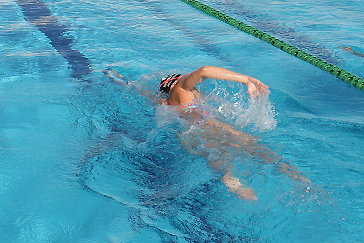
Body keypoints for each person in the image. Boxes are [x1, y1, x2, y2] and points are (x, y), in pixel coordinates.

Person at [105, 65, 307, 200]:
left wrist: (116, 76)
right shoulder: (182, 90)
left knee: (215, 155)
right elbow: (204, 70)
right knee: (256, 149)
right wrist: (246, 79)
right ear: (176, 84)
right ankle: (296, 178)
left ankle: (230, 179)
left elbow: (139, 89)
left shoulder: (164, 101)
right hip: (209, 126)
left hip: (189, 133)